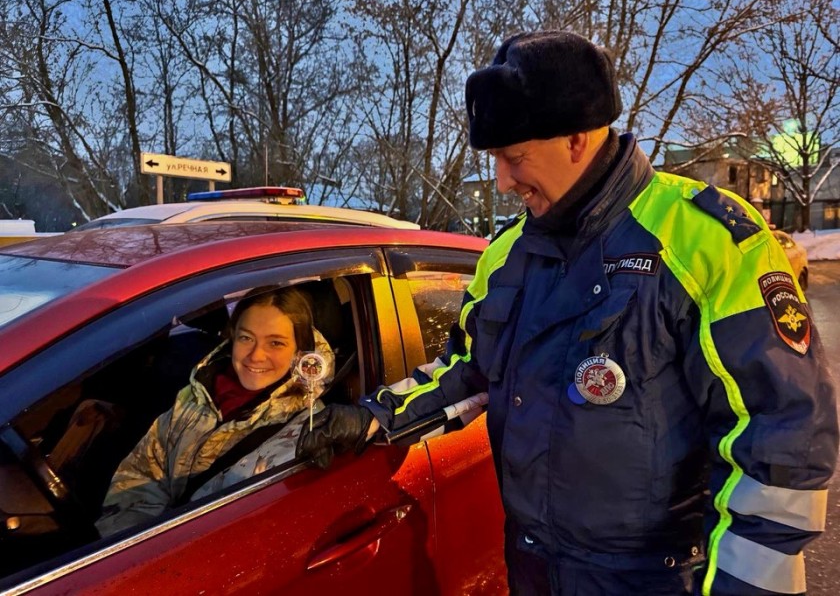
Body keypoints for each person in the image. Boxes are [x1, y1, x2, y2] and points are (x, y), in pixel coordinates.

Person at [297, 30, 839, 595]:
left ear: (577, 139)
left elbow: (780, 444)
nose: (503, 181)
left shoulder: (707, 241)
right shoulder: (506, 256)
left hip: (651, 579)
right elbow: (468, 369)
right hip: (533, 567)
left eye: (514, 157)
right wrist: (375, 418)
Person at [97, 285, 333, 536]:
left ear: (300, 353)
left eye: (275, 343)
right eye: (246, 338)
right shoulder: (196, 393)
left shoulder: (311, 429)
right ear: (232, 337)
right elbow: (141, 473)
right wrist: (138, 544)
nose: (256, 355)